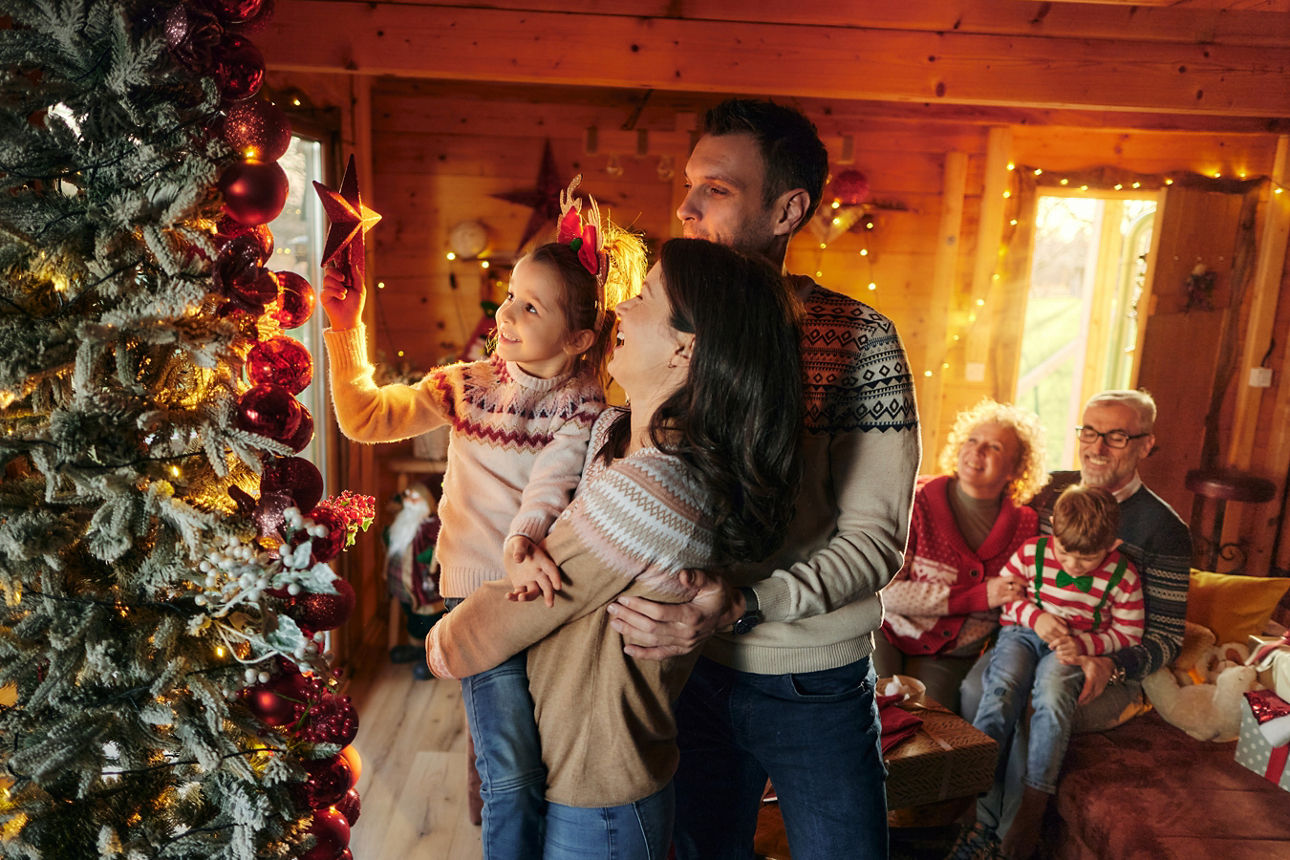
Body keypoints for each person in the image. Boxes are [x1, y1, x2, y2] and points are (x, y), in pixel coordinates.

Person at [604, 98, 921, 859]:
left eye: (716, 188)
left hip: (810, 681)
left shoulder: (857, 339)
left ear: (788, 208)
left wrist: (746, 604)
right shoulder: (657, 328)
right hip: (680, 673)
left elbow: (876, 541)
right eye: (688, 185)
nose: (684, 208)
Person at [425, 238, 805, 860]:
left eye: (646, 297)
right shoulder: (611, 429)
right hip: (565, 766)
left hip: (598, 792)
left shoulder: (658, 485)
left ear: (686, 348)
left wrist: (441, 641)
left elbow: (512, 612)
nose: (621, 310)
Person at [321, 177, 645, 858]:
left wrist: (526, 540)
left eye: (531, 307)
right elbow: (365, 416)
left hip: (550, 596)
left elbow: (552, 486)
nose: (507, 314)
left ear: (581, 337)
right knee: (509, 767)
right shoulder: (465, 385)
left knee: (538, 759)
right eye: (509, 297)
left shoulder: (589, 410)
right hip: (476, 592)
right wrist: (343, 327)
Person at [956, 388, 1191, 860]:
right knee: (976, 691)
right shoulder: (1049, 492)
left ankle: (1008, 841)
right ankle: (975, 820)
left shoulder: (1165, 530)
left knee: (1038, 707)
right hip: (1028, 637)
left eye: (1117, 436)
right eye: (1089, 431)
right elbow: (1013, 569)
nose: (1097, 446)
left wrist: (1110, 663)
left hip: (1101, 661)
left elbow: (1166, 638)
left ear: (1146, 444)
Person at [957, 484, 1144, 860]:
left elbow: (1129, 632)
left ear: (1112, 545)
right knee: (1001, 691)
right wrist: (1037, 617)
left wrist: (1085, 646)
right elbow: (1010, 597)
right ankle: (974, 790)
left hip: (1073, 648)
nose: (1073, 565)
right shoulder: (1032, 553)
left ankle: (1033, 802)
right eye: (1065, 553)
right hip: (1022, 634)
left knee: (1054, 696)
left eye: (1087, 558)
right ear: (1053, 529)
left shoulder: (1123, 576)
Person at [874, 399, 1046, 713]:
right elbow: (887, 592)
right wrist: (977, 596)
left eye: (993, 447)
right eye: (972, 440)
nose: (976, 452)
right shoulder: (917, 503)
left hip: (952, 653)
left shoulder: (1026, 527)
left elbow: (1017, 601)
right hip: (886, 630)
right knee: (876, 710)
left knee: (931, 724)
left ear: (1016, 467)